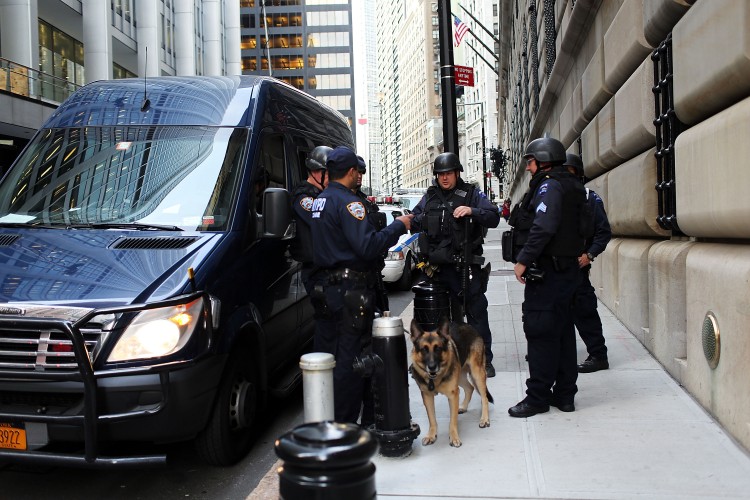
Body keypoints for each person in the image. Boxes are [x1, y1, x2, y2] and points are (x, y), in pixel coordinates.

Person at [311, 146, 413, 424]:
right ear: (352, 172)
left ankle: (331, 418)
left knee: (329, 357)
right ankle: (346, 424)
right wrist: (399, 226)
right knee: (351, 360)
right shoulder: (349, 203)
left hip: (327, 289)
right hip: (350, 292)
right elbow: (368, 246)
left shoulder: (320, 200)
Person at [507, 137, 587, 418]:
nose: (528, 168)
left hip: (548, 275)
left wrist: (523, 261)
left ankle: (537, 398)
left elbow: (544, 227)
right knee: (564, 333)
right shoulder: (573, 185)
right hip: (567, 273)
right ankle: (565, 396)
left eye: (530, 162)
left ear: (542, 160)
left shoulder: (549, 185)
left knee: (540, 333)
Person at [411, 152, 500, 377]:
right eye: (440, 174)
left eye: (448, 173)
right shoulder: (429, 197)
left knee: (476, 314)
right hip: (437, 270)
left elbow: (493, 216)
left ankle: (484, 360)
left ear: (457, 172)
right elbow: (413, 219)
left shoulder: (470, 194)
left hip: (464, 268)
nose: (444, 178)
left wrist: (473, 211)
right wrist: (421, 220)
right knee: (437, 318)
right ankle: (438, 359)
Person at [563, 153, 612, 373]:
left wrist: (589, 255)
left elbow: (603, 232)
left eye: (570, 173)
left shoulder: (590, 199)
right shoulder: (554, 197)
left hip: (578, 266)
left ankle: (598, 355)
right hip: (556, 267)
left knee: (584, 310)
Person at [289, 145, 331, 294]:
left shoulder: (322, 194)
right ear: (316, 172)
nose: (331, 180)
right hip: (314, 270)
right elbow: (324, 221)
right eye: (328, 174)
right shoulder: (304, 197)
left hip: (326, 268)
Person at [354, 155, 390, 314]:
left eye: (362, 172)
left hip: (373, 270)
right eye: (356, 171)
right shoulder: (344, 201)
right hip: (355, 274)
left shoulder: (366, 202)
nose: (359, 176)